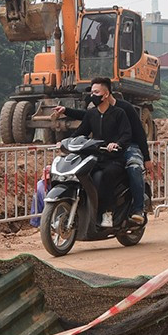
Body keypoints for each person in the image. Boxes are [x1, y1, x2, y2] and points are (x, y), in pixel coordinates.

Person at [51, 77, 132, 228]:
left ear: (106, 94)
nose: (92, 95)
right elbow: (80, 132)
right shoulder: (91, 114)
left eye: (96, 92)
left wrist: (117, 144)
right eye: (92, 92)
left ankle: (107, 212)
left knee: (103, 176)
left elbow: (127, 134)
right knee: (82, 175)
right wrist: (65, 142)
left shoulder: (119, 113)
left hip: (113, 158)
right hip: (95, 157)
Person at [112, 95, 152, 226]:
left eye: (96, 92)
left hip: (129, 147)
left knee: (134, 168)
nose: (93, 96)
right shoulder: (96, 111)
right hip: (107, 148)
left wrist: (146, 158)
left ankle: (138, 208)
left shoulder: (125, 108)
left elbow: (139, 133)